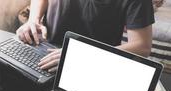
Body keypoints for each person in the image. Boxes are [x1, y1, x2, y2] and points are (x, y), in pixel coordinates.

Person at [17, 0, 154, 72]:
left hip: (92, 64)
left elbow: (142, 46)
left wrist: (84, 54)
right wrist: (33, 19)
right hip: (45, 51)